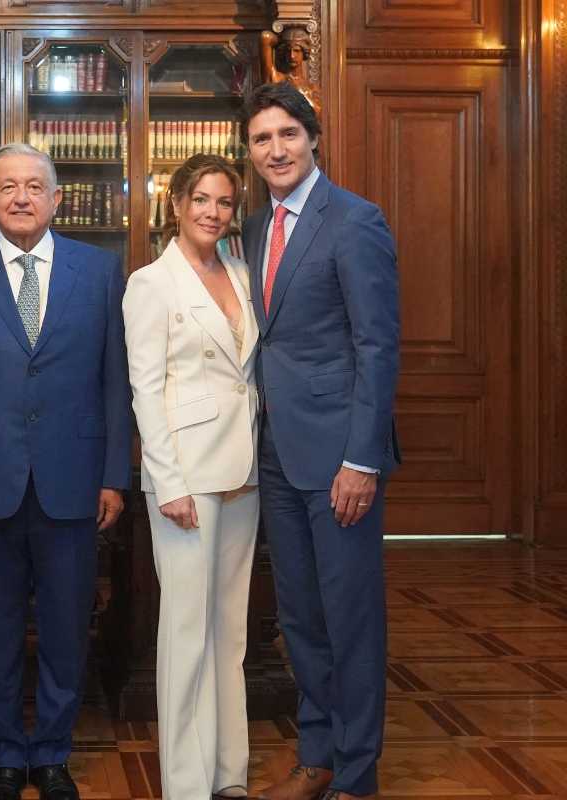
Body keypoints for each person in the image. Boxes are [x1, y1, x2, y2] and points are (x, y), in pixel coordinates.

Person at [0, 142, 132, 800]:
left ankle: (53, 752)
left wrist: (114, 475)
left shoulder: (99, 270)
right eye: (6, 186)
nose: (20, 196)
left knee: (67, 628)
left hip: (74, 475)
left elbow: (114, 381)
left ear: (56, 198)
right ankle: (7, 751)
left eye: (33, 186)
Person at [240, 82, 400, 800]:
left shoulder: (354, 221)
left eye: (287, 135)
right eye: (261, 139)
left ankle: (357, 775)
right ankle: (317, 755)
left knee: (350, 620)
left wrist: (361, 459)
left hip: (340, 460)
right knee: (300, 617)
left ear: (313, 139)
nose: (275, 149)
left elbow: (377, 346)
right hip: (275, 453)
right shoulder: (253, 227)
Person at [124, 153, 260, 800]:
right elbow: (145, 390)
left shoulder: (241, 270)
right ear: (175, 204)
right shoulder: (152, 283)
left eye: (224, 203)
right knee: (186, 633)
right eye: (200, 199)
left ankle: (228, 774)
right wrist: (168, 480)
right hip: (186, 476)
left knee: (229, 632)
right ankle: (184, 784)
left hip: (244, 469)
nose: (211, 212)